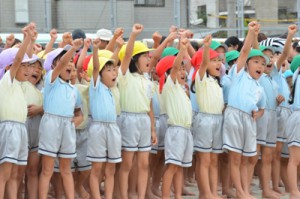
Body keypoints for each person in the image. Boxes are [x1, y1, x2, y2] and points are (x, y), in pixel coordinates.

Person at [222, 21, 267, 199]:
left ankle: (244, 190)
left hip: (249, 120)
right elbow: (245, 51)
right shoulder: (238, 74)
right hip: (234, 116)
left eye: (263, 64)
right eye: (256, 62)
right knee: (235, 157)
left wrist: (258, 113)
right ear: (247, 64)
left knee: (248, 158)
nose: (260, 67)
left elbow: (262, 107)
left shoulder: (259, 87)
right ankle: (240, 192)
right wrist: (250, 33)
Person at [38, 39, 84, 199]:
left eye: (72, 60)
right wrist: (73, 49)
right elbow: (62, 63)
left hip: (67, 127)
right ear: (54, 66)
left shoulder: (73, 89)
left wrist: (76, 120)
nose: (69, 63)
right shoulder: (51, 80)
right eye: (65, 61)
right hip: (51, 124)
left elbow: (79, 112)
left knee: (66, 169)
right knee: (47, 169)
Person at [117, 24, 157, 199]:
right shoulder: (124, 76)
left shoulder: (147, 80)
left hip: (144, 122)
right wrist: (133, 35)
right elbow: (126, 55)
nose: (149, 59)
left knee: (143, 164)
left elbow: (149, 107)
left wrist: (153, 129)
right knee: (126, 163)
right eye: (145, 56)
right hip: (128, 120)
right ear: (135, 60)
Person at [0, 23, 37, 199]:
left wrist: (30, 40)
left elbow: (25, 57)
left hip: (20, 129)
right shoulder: (7, 79)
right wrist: (27, 38)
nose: (29, 69)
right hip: (9, 129)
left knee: (16, 174)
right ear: (9, 68)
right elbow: (18, 59)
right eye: (25, 66)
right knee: (5, 173)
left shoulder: (21, 84)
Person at [158, 38, 193, 199]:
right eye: (178, 69)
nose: (182, 72)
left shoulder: (181, 89)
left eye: (183, 69)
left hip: (186, 131)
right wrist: (182, 49)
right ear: (169, 73)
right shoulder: (169, 86)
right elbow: (173, 70)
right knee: (172, 166)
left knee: (179, 167)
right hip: (176, 131)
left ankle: (177, 195)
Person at [87, 38, 122, 199]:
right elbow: (95, 67)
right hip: (98, 128)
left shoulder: (111, 90)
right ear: (100, 74)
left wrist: (119, 47)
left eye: (114, 70)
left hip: (113, 127)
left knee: (111, 168)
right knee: (97, 168)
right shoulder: (96, 86)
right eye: (108, 70)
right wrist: (95, 49)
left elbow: (115, 63)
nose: (114, 73)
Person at [191, 35, 224, 199]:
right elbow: (203, 63)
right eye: (214, 60)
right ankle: (206, 193)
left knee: (213, 160)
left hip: (217, 120)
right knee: (204, 160)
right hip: (205, 121)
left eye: (219, 60)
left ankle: (212, 193)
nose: (219, 63)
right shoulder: (201, 78)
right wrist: (206, 47)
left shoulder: (216, 81)